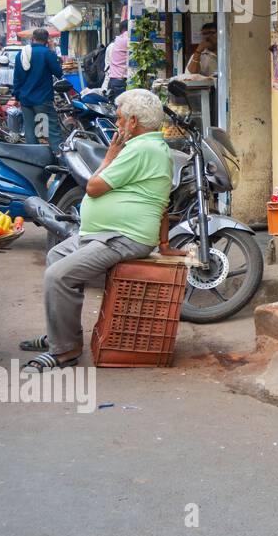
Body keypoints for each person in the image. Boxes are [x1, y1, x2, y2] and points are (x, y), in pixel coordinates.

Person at [22, 89, 175, 372]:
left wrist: (110, 156)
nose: (117, 125)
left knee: (58, 275)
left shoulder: (140, 148)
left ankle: (65, 351)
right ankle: (61, 335)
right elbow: (160, 200)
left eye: (118, 120)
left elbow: (93, 186)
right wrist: (164, 243)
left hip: (121, 238)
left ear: (132, 121)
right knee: (57, 256)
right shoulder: (154, 147)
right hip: (110, 234)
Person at [12, 27, 64, 153]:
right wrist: (52, 51)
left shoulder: (21, 54)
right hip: (42, 99)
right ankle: (60, 159)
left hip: (25, 99)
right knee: (51, 130)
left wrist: (17, 96)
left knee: (30, 130)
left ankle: (35, 159)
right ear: (47, 40)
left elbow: (17, 78)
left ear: (32, 39)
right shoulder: (47, 53)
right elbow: (58, 72)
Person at [105, 26, 130, 101]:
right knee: (121, 109)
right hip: (119, 82)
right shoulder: (126, 39)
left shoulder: (118, 40)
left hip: (114, 80)